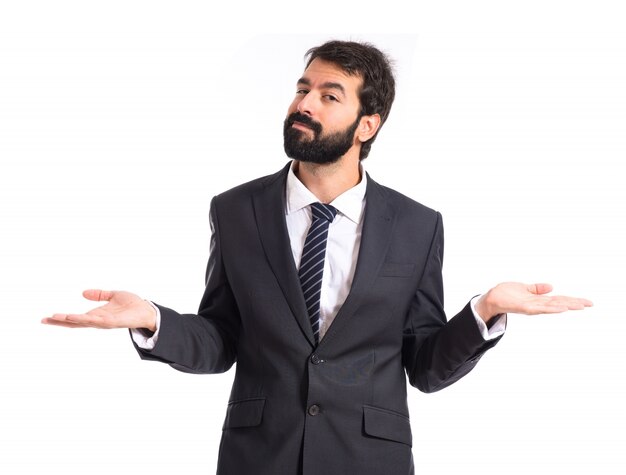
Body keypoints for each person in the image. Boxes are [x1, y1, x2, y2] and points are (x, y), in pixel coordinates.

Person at [42, 40, 592, 475]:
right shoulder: (236, 210)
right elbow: (221, 339)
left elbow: (423, 365)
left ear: (367, 124)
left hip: (370, 459)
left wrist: (486, 311)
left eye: (330, 95)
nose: (304, 103)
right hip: (259, 457)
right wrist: (154, 321)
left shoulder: (418, 226)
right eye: (303, 88)